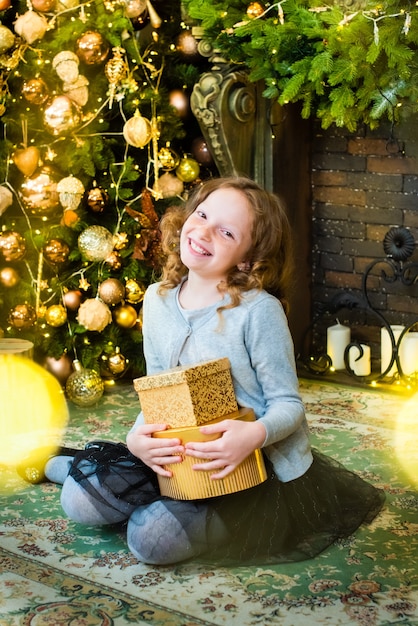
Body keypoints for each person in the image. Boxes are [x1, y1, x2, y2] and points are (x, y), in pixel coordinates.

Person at [27, 176, 385, 565]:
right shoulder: (158, 299)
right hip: (177, 452)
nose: (204, 231)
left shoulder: (258, 312)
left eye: (227, 232)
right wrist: (136, 440)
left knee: (151, 542)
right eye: (202, 214)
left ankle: (148, 503)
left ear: (248, 259)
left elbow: (288, 405)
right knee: (79, 501)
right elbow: (156, 391)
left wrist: (252, 436)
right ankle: (83, 470)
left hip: (241, 465)